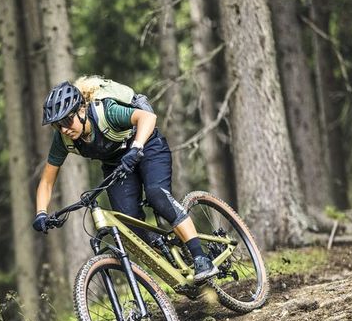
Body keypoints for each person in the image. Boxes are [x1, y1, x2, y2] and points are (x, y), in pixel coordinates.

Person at [32, 78, 220, 282]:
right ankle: (166, 251)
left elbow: (147, 118)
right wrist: (41, 213)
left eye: (67, 121)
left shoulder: (106, 112)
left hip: (147, 145)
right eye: (57, 126)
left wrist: (137, 147)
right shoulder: (63, 140)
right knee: (128, 223)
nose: (64, 129)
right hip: (116, 164)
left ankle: (201, 257)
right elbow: (47, 181)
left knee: (157, 194)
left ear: (81, 110)